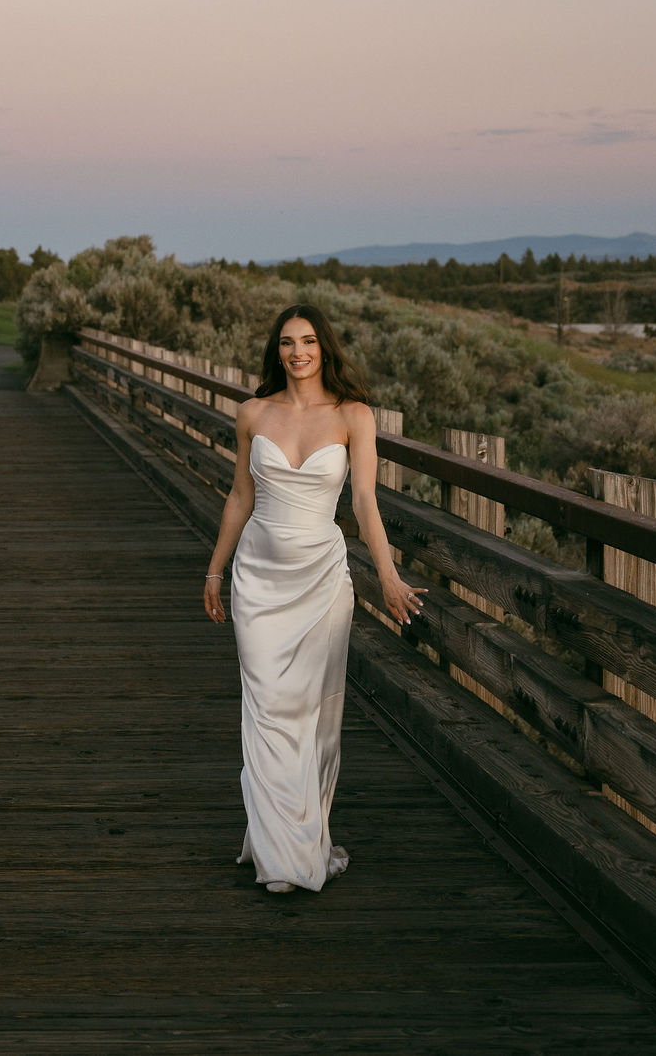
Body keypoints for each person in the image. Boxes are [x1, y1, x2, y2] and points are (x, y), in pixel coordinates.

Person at [200, 303, 425, 893]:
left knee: (311, 715)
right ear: (276, 351)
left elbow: (366, 504)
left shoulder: (354, 416)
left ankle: (300, 842)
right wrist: (215, 570)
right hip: (257, 580)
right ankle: (279, 850)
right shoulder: (252, 413)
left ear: (323, 347)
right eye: (286, 342)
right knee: (268, 708)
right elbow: (239, 497)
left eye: (307, 341)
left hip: (323, 582)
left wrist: (389, 576)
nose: (297, 352)